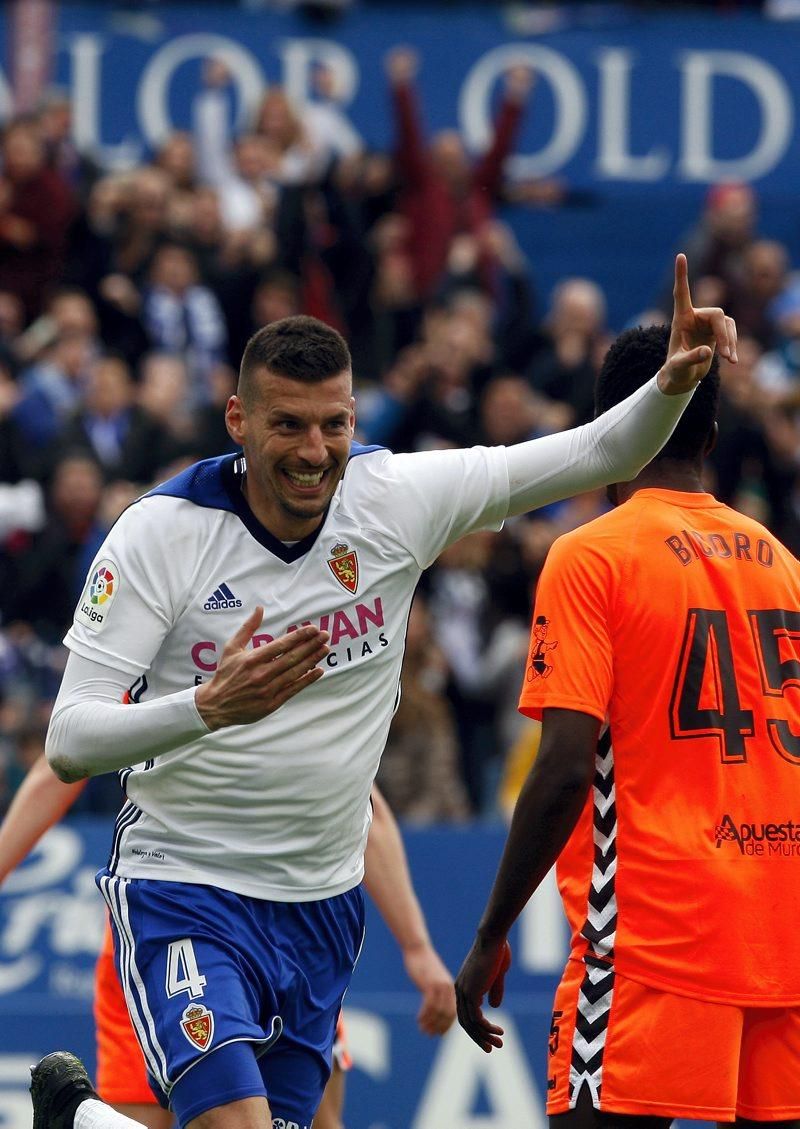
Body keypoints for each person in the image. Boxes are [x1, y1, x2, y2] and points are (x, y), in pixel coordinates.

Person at [34, 257, 734, 1129]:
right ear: (238, 420)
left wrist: (671, 383)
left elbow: (599, 450)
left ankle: (80, 1122)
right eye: (287, 425)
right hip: (185, 883)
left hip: (322, 904)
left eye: (334, 424)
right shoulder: (158, 536)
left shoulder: (398, 499)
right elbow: (68, 738)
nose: (313, 451)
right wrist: (207, 708)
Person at [454, 318, 800, 1127]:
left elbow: (567, 766)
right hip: (779, 936)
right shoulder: (785, 567)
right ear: (712, 435)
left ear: (608, 426)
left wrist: (490, 932)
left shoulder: (591, 557)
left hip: (651, 938)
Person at [0, 759, 453, 1129]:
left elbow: (359, 801)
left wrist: (416, 946)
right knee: (177, 1114)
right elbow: (63, 760)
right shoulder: (155, 656)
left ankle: (83, 1120)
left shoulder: (322, 664)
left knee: (315, 1120)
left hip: (295, 923)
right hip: (169, 919)